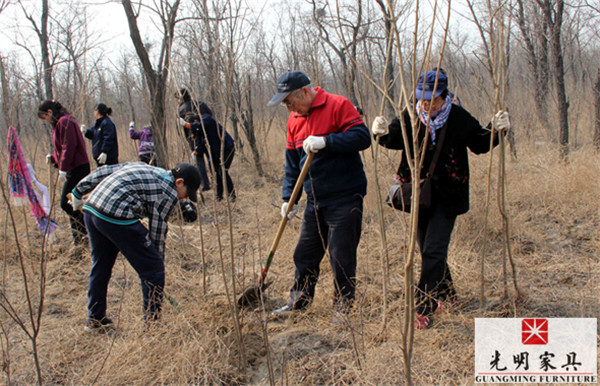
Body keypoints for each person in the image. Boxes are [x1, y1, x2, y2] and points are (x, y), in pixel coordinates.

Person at [371, 70, 511, 330]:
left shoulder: (457, 116)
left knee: (434, 250)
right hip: (418, 195)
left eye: (432, 100)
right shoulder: (410, 116)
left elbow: (479, 143)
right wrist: (379, 133)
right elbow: (393, 140)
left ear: (444, 97)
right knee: (427, 250)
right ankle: (448, 296)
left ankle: (423, 308)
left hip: (448, 195)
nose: (426, 104)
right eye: (422, 99)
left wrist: (496, 130)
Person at [267, 70, 371, 317]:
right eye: (285, 104)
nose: (289, 108)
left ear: (304, 91)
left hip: (345, 196)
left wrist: (327, 141)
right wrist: (287, 199)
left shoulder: (338, 105)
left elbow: (362, 137)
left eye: (290, 102)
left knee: (340, 256)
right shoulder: (294, 119)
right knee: (304, 254)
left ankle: (343, 309)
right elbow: (293, 163)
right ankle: (298, 304)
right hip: (315, 199)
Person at [69, 162, 201, 331]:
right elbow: (157, 234)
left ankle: (95, 319)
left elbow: (105, 170)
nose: (184, 198)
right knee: (153, 269)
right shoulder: (167, 193)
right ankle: (153, 326)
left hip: (92, 208)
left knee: (101, 265)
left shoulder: (147, 168)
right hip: (115, 214)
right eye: (186, 193)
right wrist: (155, 267)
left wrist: (78, 191)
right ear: (179, 182)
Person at [38, 100, 90, 246]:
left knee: (67, 204)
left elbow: (70, 146)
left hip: (78, 168)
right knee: (73, 203)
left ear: (50, 112)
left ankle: (84, 235)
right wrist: (54, 159)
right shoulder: (60, 124)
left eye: (45, 117)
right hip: (73, 168)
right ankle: (80, 239)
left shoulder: (65, 122)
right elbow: (61, 149)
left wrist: (64, 168)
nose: (46, 121)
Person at [180, 113, 236, 202]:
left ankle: (232, 195)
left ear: (195, 121)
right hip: (215, 154)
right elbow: (200, 144)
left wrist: (187, 124)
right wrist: (195, 152)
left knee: (223, 171)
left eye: (193, 125)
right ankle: (219, 196)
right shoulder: (200, 131)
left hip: (227, 149)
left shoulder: (207, 119)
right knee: (217, 173)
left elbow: (202, 125)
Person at [177, 88, 213, 192]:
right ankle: (217, 180)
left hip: (193, 137)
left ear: (181, 98)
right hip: (208, 134)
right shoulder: (200, 104)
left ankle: (205, 184)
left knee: (199, 160)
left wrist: (186, 137)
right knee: (212, 158)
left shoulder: (181, 109)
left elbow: (180, 126)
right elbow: (210, 115)